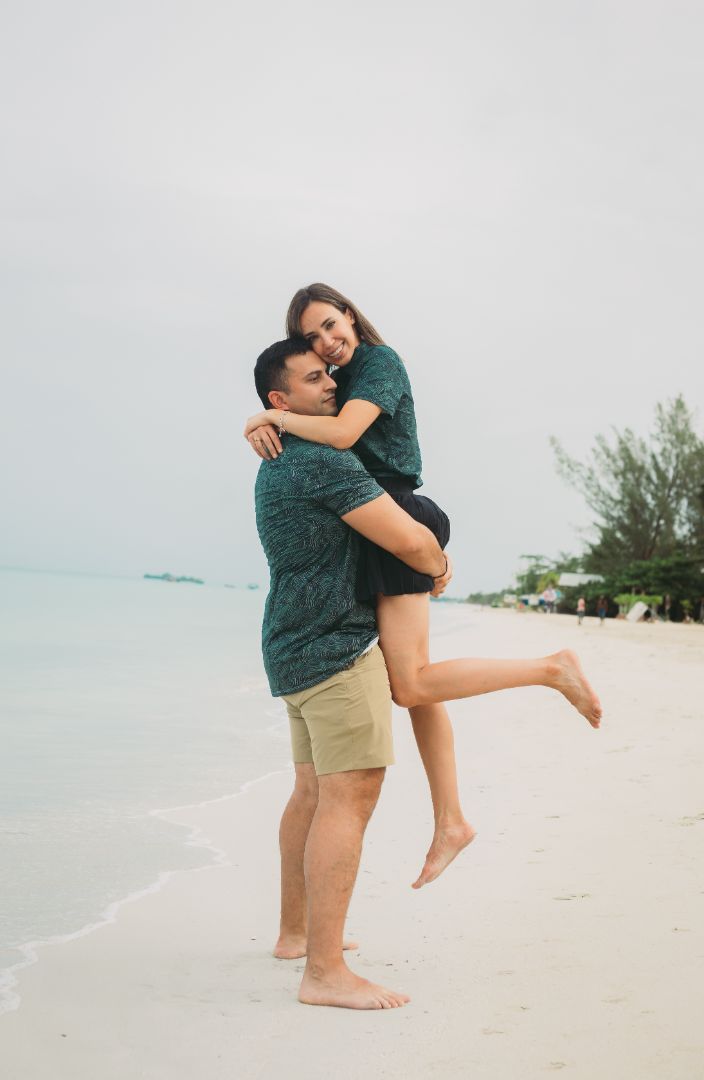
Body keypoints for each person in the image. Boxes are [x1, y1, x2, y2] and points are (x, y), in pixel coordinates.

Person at [246, 284, 603, 890]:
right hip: (376, 517)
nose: (329, 345)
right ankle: (451, 819)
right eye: (314, 339)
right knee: (414, 681)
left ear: (352, 316)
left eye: (333, 325)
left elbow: (342, 436)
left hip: (394, 512)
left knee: (409, 683)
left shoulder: (378, 365)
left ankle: (550, 669)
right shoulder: (337, 381)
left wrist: (270, 416)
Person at [254, 338, 454, 1009]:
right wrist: (436, 563)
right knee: (351, 794)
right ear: (280, 402)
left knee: (311, 791)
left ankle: (294, 934)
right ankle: (325, 972)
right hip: (336, 652)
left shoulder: (277, 460)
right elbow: (409, 540)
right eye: (314, 379)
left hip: (290, 646)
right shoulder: (319, 461)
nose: (331, 385)